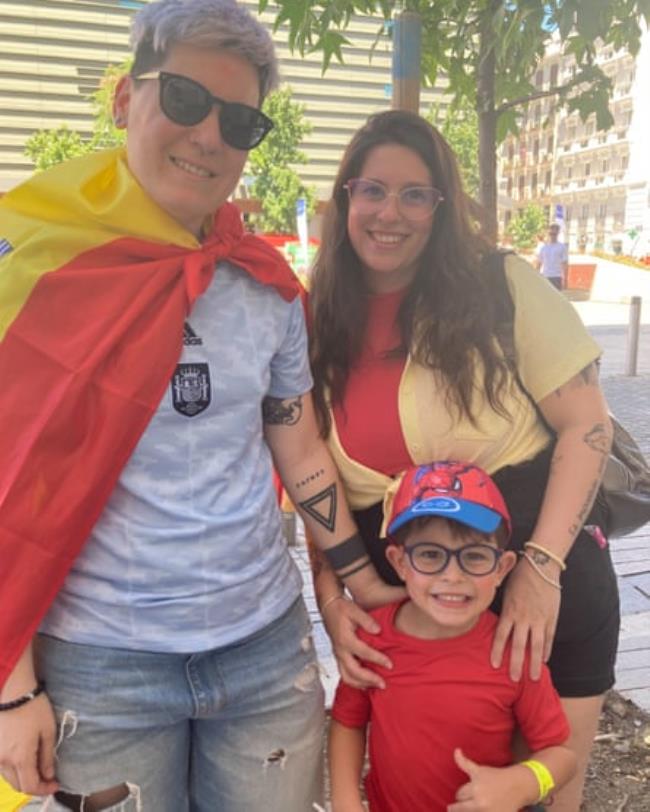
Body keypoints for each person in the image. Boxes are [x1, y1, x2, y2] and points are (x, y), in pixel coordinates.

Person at [0, 3, 400, 810]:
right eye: (183, 99)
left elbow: (299, 443)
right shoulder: (32, 266)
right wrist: (11, 687)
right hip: (99, 665)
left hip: (263, 652)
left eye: (240, 119)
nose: (210, 136)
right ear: (125, 98)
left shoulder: (264, 281)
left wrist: (362, 578)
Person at [307, 110, 619, 812]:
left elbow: (587, 426)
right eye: (373, 190)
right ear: (345, 199)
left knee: (538, 797)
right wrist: (331, 600)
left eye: (416, 194)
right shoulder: (313, 320)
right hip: (404, 611)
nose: (391, 212)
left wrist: (539, 572)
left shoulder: (498, 285)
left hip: (536, 586)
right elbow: (310, 480)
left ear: (442, 208)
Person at [329, 461, 577, 812]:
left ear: (502, 568)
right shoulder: (370, 638)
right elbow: (347, 722)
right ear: (399, 562)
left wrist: (523, 783)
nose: (452, 575)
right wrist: (346, 800)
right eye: (430, 555)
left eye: (474, 557)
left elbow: (561, 756)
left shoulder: (512, 650)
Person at [534, 223, 568, 290]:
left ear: (558, 233)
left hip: (557, 277)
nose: (552, 235)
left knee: (556, 299)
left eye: (554, 234)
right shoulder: (543, 248)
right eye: (551, 233)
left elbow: (565, 264)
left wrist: (565, 279)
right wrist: (535, 277)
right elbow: (539, 264)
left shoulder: (562, 247)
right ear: (548, 233)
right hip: (545, 277)